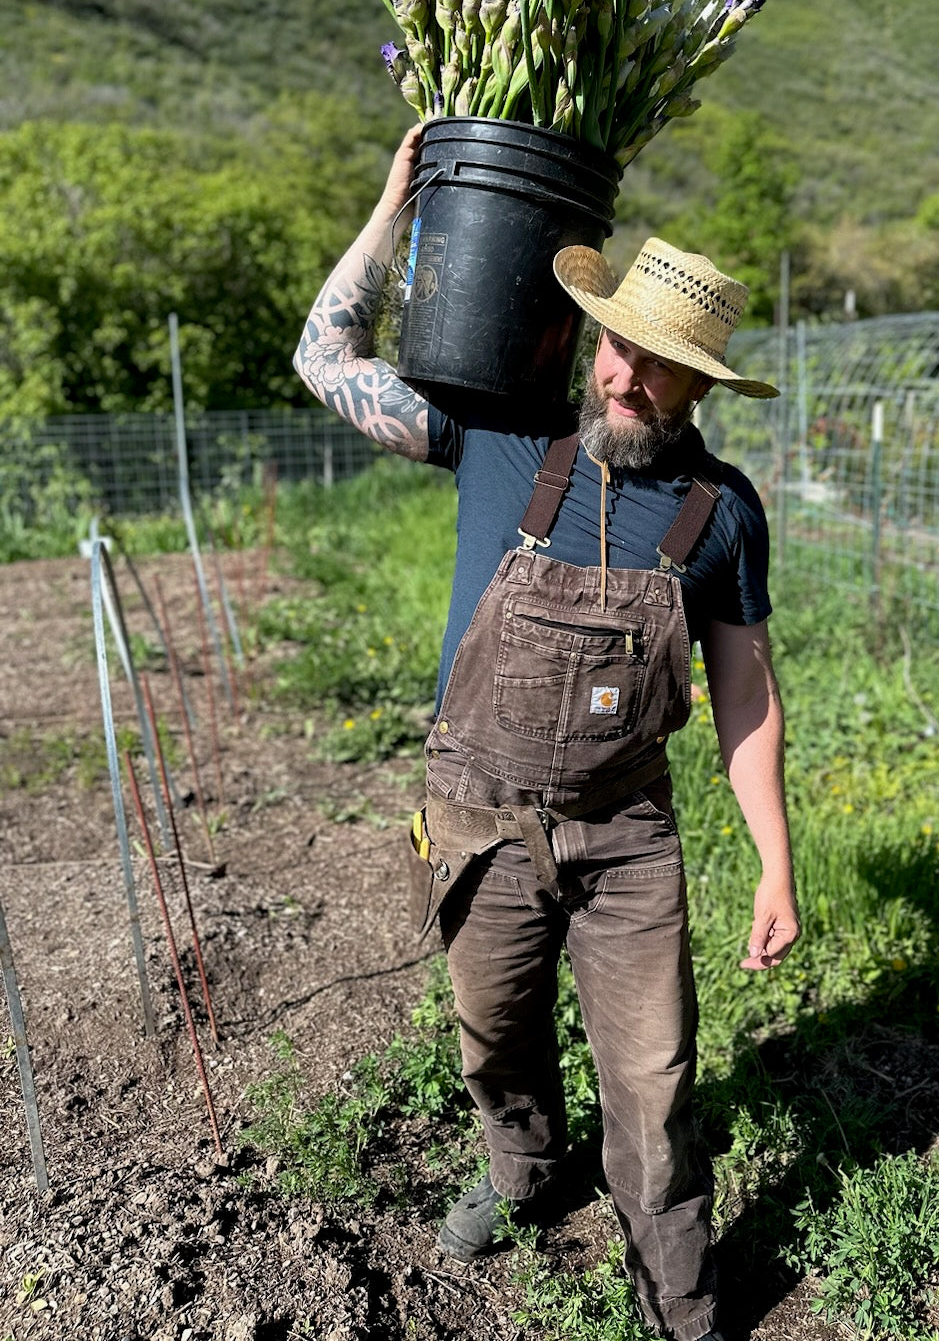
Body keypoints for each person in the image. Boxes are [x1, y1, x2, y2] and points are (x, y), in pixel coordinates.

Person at [294, 125, 799, 1341]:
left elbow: (746, 694)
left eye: (663, 366)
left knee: (654, 1078)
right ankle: (521, 1166)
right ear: (594, 336)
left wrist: (778, 860)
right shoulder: (503, 434)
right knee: (492, 1033)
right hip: (476, 810)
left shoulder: (721, 514)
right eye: (623, 347)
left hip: (629, 838)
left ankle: (678, 1294)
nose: (630, 378)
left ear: (700, 385)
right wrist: (395, 204)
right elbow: (326, 355)